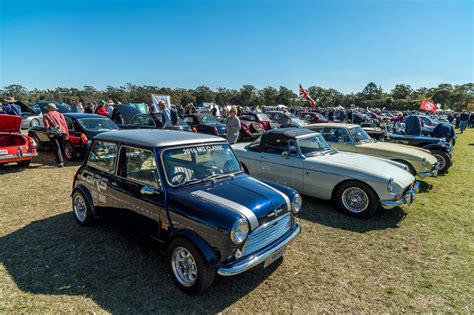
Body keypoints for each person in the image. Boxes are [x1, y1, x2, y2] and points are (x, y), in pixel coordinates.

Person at [43, 103, 69, 167]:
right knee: (60, 146)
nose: (47, 109)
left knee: (56, 147)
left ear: (49, 108)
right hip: (62, 131)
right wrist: (67, 134)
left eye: (48, 108)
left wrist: (48, 132)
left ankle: (60, 162)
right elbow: (65, 124)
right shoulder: (60, 114)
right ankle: (59, 159)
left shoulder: (46, 115)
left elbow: (47, 125)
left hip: (53, 132)